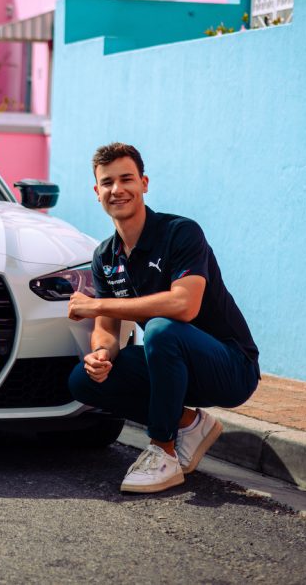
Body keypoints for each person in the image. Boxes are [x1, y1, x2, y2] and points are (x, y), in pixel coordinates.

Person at [66, 142, 259, 493]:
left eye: (127, 179)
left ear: (144, 183)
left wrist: (96, 304)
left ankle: (163, 450)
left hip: (230, 367)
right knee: (83, 380)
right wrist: (101, 355)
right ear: (97, 192)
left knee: (160, 328)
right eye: (107, 182)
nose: (117, 189)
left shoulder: (180, 233)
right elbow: (106, 332)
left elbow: (184, 306)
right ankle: (188, 423)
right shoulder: (105, 255)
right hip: (172, 365)